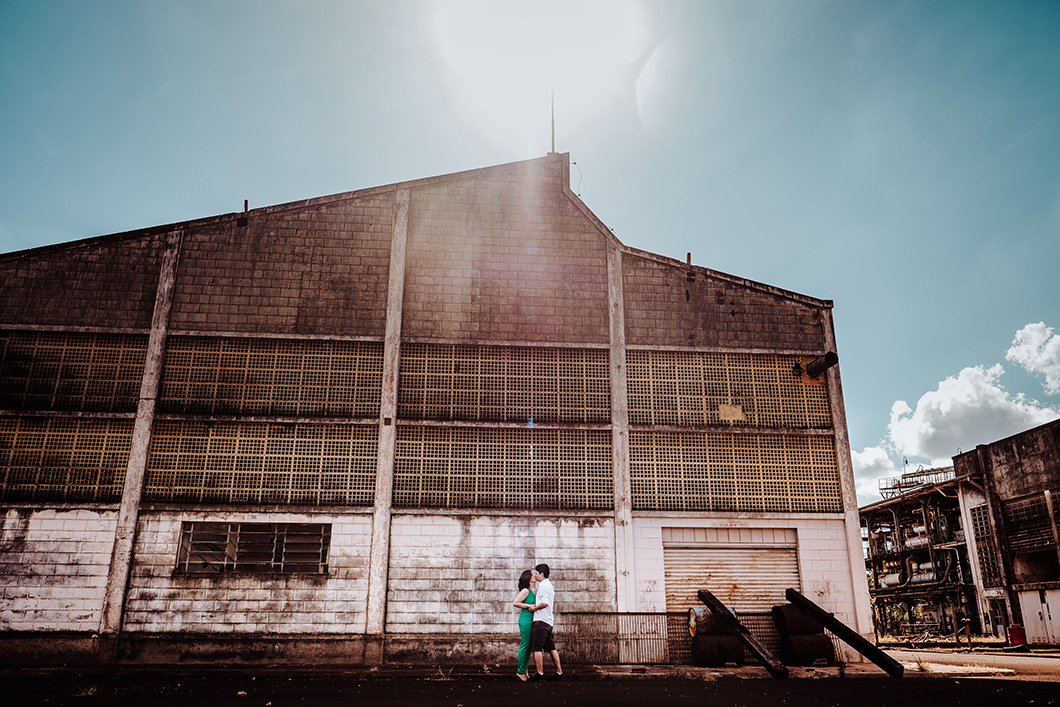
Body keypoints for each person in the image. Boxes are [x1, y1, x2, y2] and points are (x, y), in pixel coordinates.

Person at [528, 563, 563, 681]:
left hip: (541, 621)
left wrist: (534, 608)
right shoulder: (549, 585)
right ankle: (559, 673)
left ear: (542, 574)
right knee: (551, 648)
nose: (535, 575)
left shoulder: (543, 586)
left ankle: (540, 673)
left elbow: (544, 603)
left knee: (537, 648)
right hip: (548, 621)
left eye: (536, 573)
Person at [512, 569, 537, 681]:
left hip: (531, 620)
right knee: (525, 645)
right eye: (532, 575)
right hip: (525, 620)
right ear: (528, 578)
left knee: (529, 646)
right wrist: (529, 605)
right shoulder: (525, 591)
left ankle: (525, 670)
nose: (534, 576)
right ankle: (520, 672)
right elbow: (515, 602)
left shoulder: (533, 590)